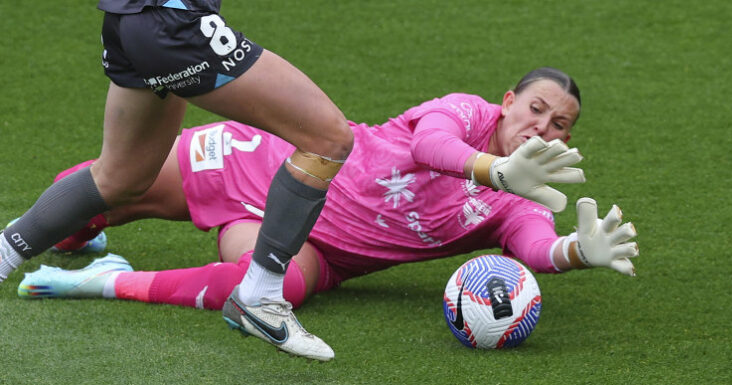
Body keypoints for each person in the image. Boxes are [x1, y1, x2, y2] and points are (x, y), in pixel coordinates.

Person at [16, 68, 639, 318]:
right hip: (269, 165)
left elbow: (535, 247)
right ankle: (84, 237)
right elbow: (432, 149)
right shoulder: (464, 113)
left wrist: (574, 252)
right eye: (536, 109)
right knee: (93, 192)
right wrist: (494, 170)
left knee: (270, 292)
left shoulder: (526, 198)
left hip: (319, 250)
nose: (543, 128)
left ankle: (105, 280)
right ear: (508, 103)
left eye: (560, 124)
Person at [0, 0, 357, 361]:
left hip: (128, 20)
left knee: (120, 179)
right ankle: (259, 298)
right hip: (174, 24)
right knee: (328, 140)